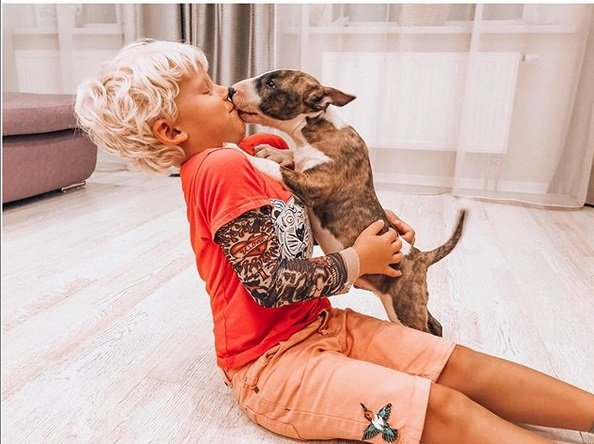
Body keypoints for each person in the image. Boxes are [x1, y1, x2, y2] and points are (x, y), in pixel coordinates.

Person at [75, 39, 594, 444]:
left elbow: (304, 218)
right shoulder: (219, 168)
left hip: (322, 323)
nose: (226, 89)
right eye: (207, 90)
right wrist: (357, 260)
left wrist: (369, 222)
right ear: (171, 131)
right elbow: (270, 286)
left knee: (458, 364)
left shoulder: (260, 151)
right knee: (440, 405)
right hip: (273, 366)